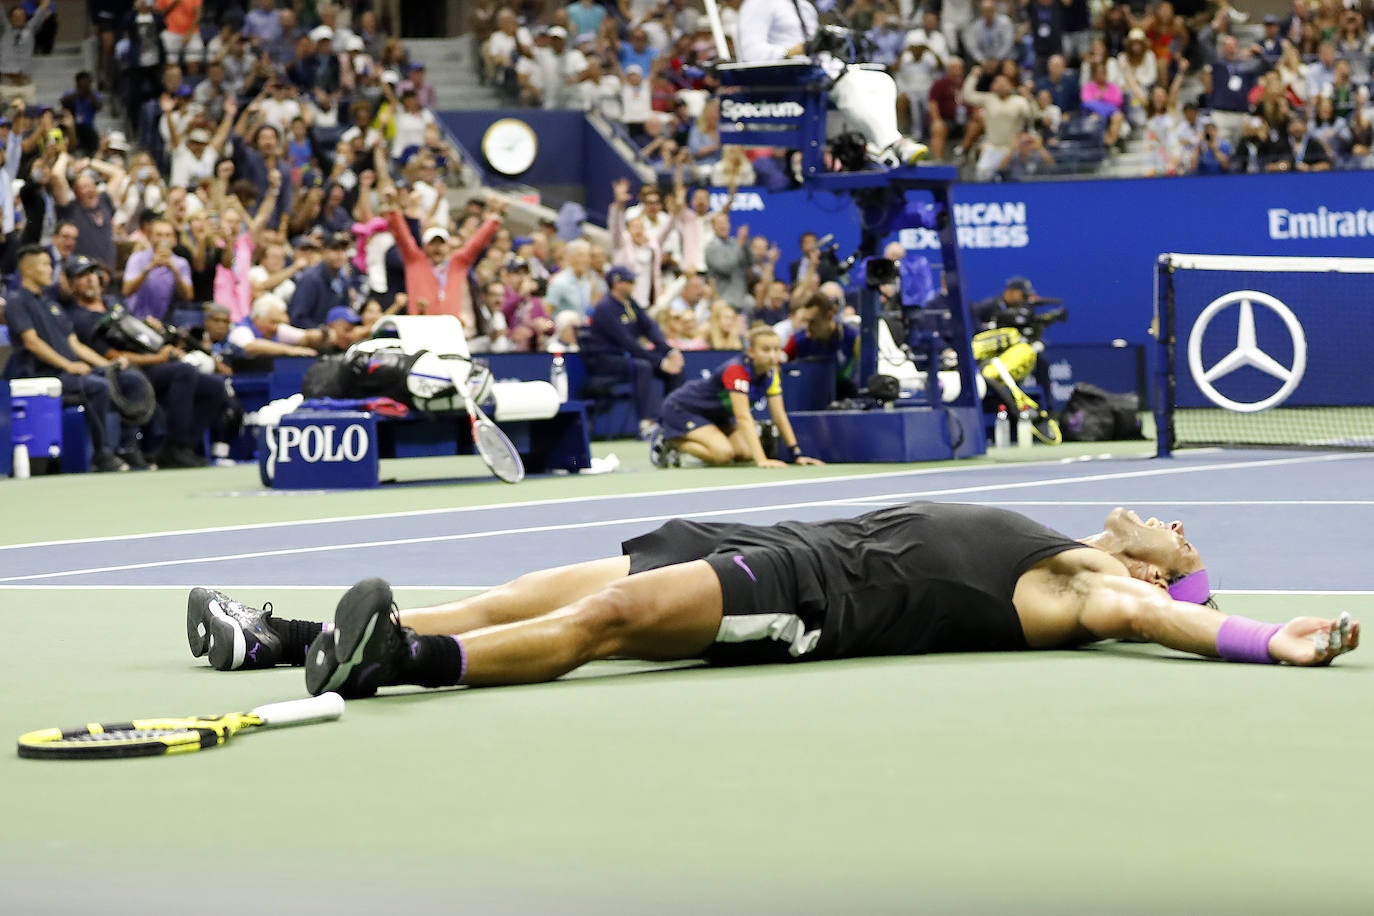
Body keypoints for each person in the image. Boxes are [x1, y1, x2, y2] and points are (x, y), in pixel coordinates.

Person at [185, 504, 1359, 694]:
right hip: (786, 540)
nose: (1176, 534)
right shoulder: (1074, 539)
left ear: (1150, 569)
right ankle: (282, 639)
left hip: (821, 593)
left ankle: (401, 665)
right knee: (529, 589)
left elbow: (1165, 618)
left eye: (1183, 547)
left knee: (603, 627)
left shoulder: (1095, 583)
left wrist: (1264, 637)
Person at [735, 0, 928, 167]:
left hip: (819, 75)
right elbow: (751, 55)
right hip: (786, 85)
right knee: (850, 86)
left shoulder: (805, 7)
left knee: (881, 80)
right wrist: (798, 50)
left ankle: (882, 145)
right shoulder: (758, 4)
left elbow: (817, 52)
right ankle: (894, 144)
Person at [2, 245, 130, 471]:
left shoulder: (52, 305)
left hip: (67, 374)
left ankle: (130, 449)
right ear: (28, 269)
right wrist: (68, 365)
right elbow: (32, 342)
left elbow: (74, 344)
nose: (49, 269)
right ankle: (102, 454)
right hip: (42, 375)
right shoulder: (17, 301)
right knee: (98, 387)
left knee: (126, 379)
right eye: (44, 264)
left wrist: (109, 365)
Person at [650, 324, 823, 469]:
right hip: (683, 408)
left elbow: (779, 415)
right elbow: (743, 417)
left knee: (745, 453)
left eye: (776, 349)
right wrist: (762, 460)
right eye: (766, 349)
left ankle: (702, 442)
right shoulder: (736, 370)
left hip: (717, 416)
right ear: (751, 351)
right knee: (723, 454)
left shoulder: (772, 374)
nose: (772, 355)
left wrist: (796, 454)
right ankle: (669, 440)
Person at [584, 265, 685, 439]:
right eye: (629, 281)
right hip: (605, 360)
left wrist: (669, 352)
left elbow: (650, 328)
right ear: (616, 284)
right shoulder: (605, 308)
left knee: (675, 370)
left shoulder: (630, 304)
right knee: (643, 367)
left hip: (627, 358)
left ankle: (673, 419)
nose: (634, 284)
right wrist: (660, 362)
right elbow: (627, 343)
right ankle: (646, 423)